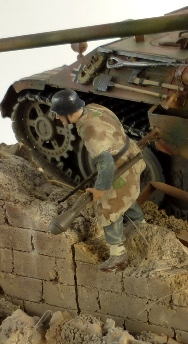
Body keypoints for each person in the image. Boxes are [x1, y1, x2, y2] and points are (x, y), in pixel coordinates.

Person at [49, 89, 144, 271]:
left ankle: (118, 255)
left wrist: (100, 189)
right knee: (124, 197)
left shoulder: (89, 129)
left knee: (106, 207)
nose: (57, 118)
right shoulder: (94, 108)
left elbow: (106, 163)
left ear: (69, 113)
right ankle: (140, 225)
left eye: (59, 114)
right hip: (131, 154)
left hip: (121, 167)